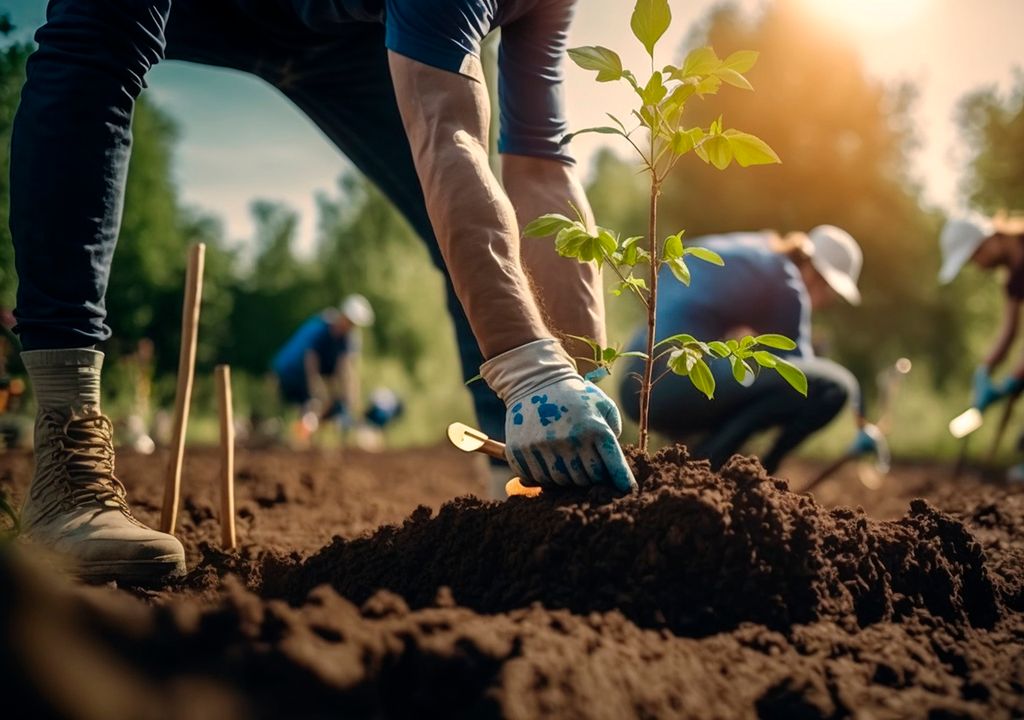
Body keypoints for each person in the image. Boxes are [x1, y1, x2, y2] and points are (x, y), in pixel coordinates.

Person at [10, 0, 632, 584]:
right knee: (97, 31)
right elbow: (453, 136)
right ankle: (67, 460)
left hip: (344, 34)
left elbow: (543, 170)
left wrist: (579, 381)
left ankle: (526, 477)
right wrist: (530, 369)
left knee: (461, 222)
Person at [618, 226, 881, 473]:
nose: (825, 303)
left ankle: (693, 464)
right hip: (672, 385)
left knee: (747, 381)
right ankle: (736, 471)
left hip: (636, 378)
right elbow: (802, 378)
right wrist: (858, 423)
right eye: (830, 293)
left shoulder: (755, 248)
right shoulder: (790, 284)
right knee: (835, 385)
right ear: (816, 276)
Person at [939, 212, 1024, 480]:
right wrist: (984, 370)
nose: (976, 265)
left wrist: (1013, 380)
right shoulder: (1014, 276)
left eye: (974, 256)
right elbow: (1009, 331)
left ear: (987, 241)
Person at [272, 295, 373, 440]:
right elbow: (310, 360)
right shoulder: (321, 329)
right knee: (311, 404)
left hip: (312, 374)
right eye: (350, 322)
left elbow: (347, 369)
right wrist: (316, 390)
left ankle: (310, 438)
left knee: (330, 405)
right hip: (292, 373)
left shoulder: (348, 339)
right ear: (343, 315)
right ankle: (298, 438)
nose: (351, 327)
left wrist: (351, 398)